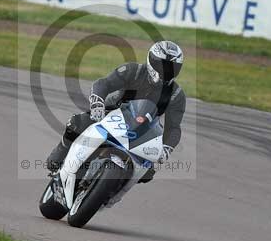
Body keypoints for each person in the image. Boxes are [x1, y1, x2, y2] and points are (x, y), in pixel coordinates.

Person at [46, 40, 186, 183]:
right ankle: (57, 160)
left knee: (147, 173)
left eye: (172, 68)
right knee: (76, 124)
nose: (166, 72)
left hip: (144, 131)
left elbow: (173, 127)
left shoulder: (176, 95)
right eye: (162, 66)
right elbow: (104, 84)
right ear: (152, 61)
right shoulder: (134, 71)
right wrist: (97, 102)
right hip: (112, 114)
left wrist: (166, 148)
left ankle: (109, 194)